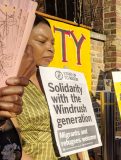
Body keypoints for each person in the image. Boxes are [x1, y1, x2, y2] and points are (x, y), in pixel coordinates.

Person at [15, 15, 78, 160]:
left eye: (52, 43)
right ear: (21, 41)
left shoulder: (55, 80)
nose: (50, 48)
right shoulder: (9, 83)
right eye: (42, 41)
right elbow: (10, 144)